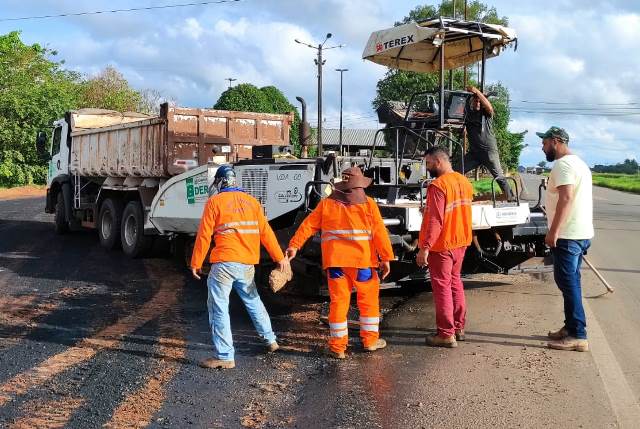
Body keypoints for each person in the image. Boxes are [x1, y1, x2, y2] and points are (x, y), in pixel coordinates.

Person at [286, 167, 394, 359]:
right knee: (368, 302)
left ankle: (338, 348)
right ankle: (370, 341)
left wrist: (294, 245)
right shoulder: (368, 204)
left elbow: (308, 226)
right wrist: (386, 258)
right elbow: (379, 233)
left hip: (336, 264)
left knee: (338, 303)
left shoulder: (327, 204)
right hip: (363, 264)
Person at [190, 165, 290, 369]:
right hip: (247, 263)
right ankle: (270, 340)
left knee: (218, 307)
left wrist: (196, 263)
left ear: (220, 182)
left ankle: (225, 356)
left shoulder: (215, 202)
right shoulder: (252, 202)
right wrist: (279, 258)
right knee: (253, 301)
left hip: (224, 264)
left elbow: (204, 235)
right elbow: (266, 233)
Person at [539, 127, 594, 352]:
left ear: (556, 141)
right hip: (580, 233)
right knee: (571, 282)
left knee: (568, 283)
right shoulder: (579, 163)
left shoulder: (563, 165)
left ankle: (578, 335)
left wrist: (554, 231)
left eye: (544, 143)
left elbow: (567, 197)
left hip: (568, 235)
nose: (542, 147)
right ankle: (571, 327)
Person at [417, 147, 473, 348]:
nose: (427, 167)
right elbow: (453, 211)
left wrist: (425, 248)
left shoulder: (438, 185)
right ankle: (458, 328)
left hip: (442, 245)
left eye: (428, 163)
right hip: (460, 241)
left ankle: (445, 334)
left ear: (438, 162)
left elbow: (436, 221)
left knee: (442, 287)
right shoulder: (464, 181)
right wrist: (429, 209)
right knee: (455, 282)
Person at [460, 85, 514, 200]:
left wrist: (477, 92)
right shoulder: (468, 114)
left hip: (489, 152)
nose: (477, 103)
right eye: (475, 101)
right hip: (475, 153)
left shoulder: (486, 114)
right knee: (456, 170)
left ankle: (510, 197)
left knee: (499, 176)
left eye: (480, 101)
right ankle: (453, 194)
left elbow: (489, 107)